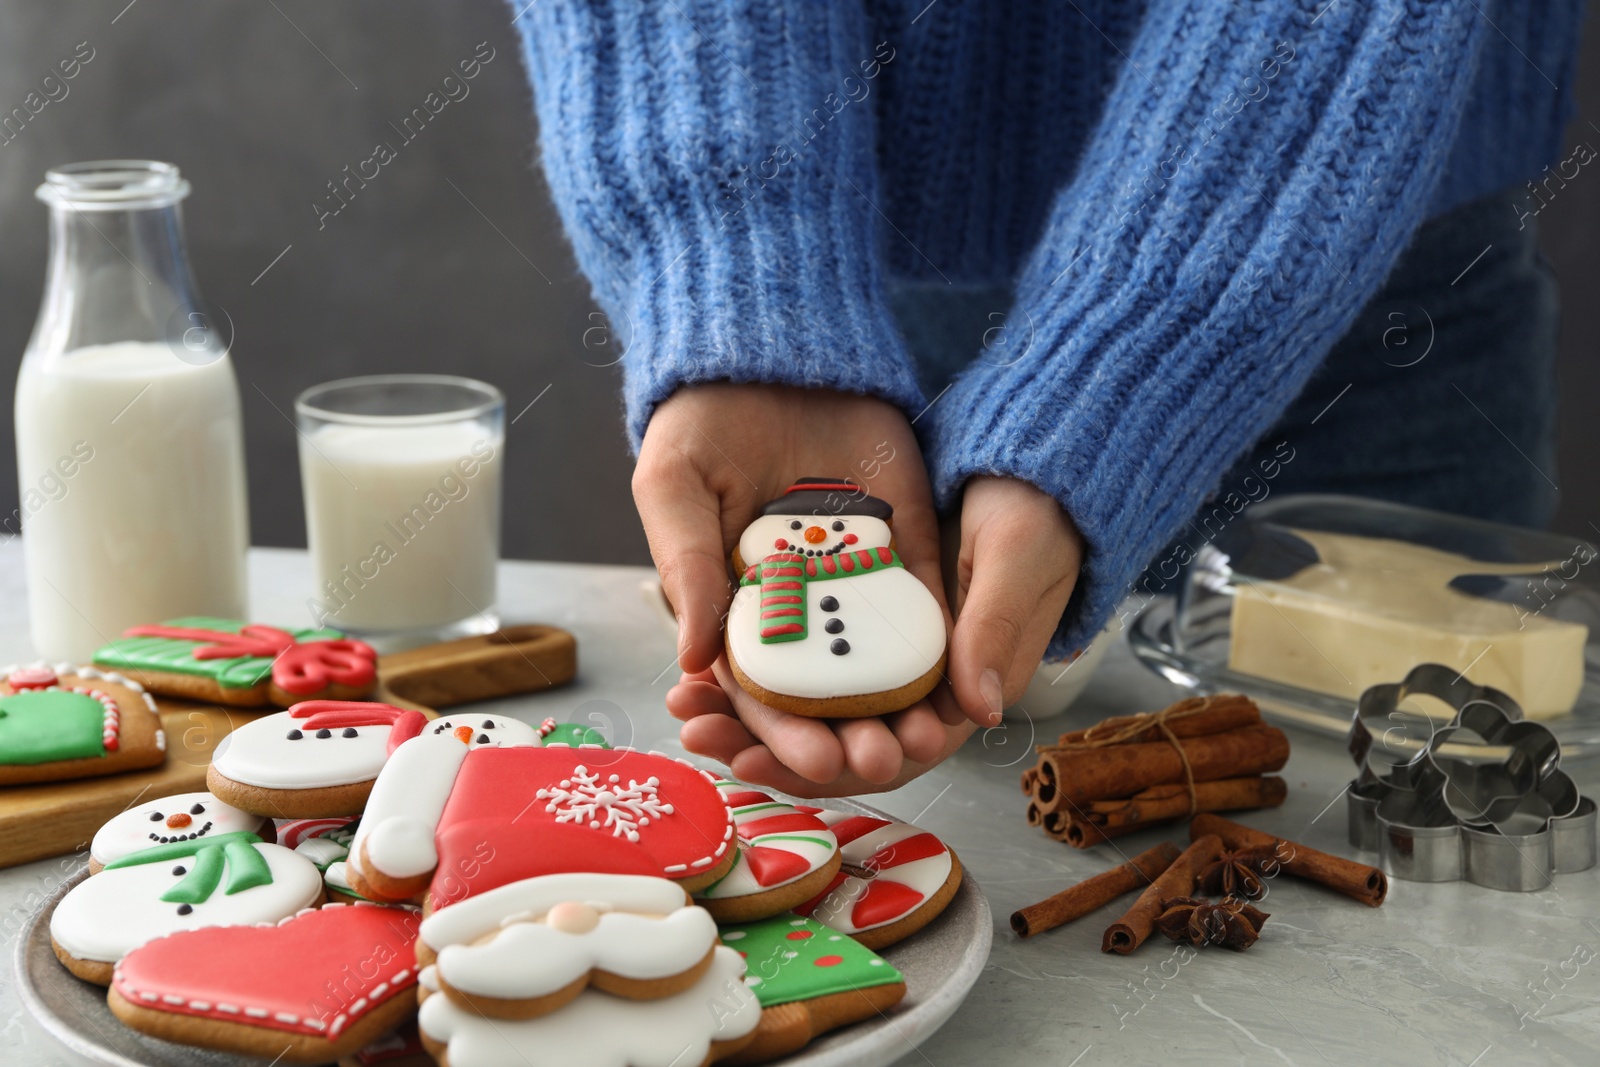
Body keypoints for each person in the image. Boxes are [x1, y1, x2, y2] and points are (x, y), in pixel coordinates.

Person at [509, 1, 1583, 796]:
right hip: (857, 285)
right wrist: (744, 284)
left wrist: (1123, 360)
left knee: (1427, 883)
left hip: (1370, 284)